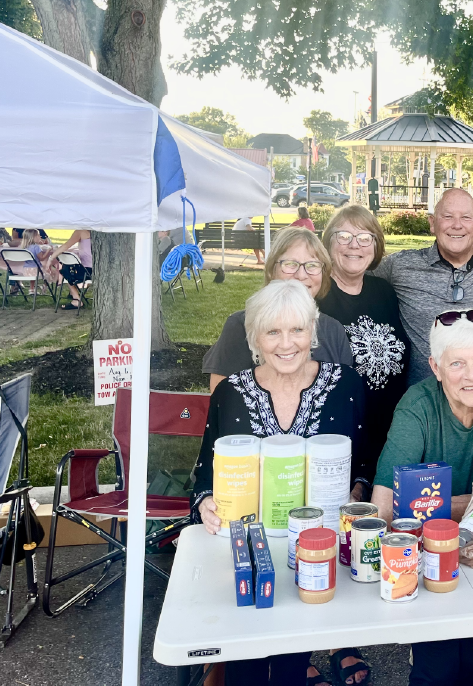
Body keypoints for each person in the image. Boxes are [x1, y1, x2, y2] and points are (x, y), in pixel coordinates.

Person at [192, 280, 369, 686]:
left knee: (294, 653)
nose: (286, 343)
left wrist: (356, 492)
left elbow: (365, 461)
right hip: (246, 549)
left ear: (313, 332)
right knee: (246, 659)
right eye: (272, 331)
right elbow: (204, 476)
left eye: (297, 330)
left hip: (317, 545)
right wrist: (205, 503)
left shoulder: (346, 385)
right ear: (255, 337)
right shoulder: (231, 393)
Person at [371, 309, 473, 686]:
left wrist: (430, 504)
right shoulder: (418, 404)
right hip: (427, 554)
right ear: (436, 367)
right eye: (457, 363)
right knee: (437, 668)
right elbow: (384, 507)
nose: (472, 375)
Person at [370, 188, 473, 384]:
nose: (457, 225)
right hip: (422, 406)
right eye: (447, 216)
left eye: (466, 217)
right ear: (432, 223)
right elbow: (352, 283)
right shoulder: (399, 267)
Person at [203, 228, 354, 391]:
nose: (302, 275)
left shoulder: (334, 330)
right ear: (272, 270)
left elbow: (345, 396)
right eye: (290, 264)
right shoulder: (241, 325)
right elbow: (221, 399)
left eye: (312, 265)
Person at [319, 205, 411, 458]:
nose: (354, 245)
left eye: (364, 238)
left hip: (390, 432)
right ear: (328, 243)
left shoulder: (384, 291)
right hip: (336, 433)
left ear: (375, 245)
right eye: (344, 236)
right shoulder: (317, 295)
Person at [45, 229, 92, 310]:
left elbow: (66, 246)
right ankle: (73, 294)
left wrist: (50, 259)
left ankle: (76, 299)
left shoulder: (81, 232)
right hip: (99, 270)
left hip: (87, 271)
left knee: (65, 270)